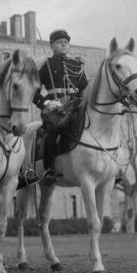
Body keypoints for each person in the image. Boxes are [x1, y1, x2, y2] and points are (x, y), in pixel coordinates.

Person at [33, 29, 88, 185]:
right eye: (59, 42)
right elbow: (33, 92)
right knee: (54, 128)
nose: (63, 44)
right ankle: (49, 169)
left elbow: (85, 89)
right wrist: (46, 103)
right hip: (55, 107)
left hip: (76, 105)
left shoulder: (76, 66)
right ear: (52, 45)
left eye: (66, 42)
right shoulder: (47, 65)